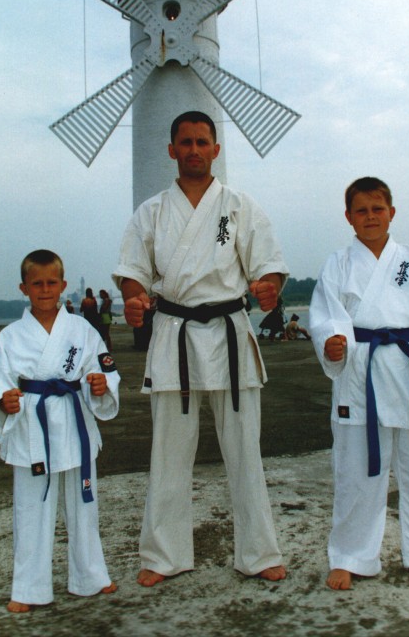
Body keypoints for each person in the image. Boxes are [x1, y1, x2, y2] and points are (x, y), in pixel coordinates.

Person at [113, 110, 288, 587]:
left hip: (230, 332)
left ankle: (259, 553)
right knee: (169, 453)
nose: (194, 150)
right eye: (185, 142)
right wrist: (134, 298)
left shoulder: (239, 207)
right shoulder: (151, 212)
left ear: (216, 149)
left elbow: (267, 264)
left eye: (202, 142)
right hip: (175, 334)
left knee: (245, 451)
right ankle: (163, 556)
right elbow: (133, 271)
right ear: (172, 150)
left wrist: (269, 287)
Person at [309, 177, 409, 591]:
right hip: (359, 371)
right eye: (361, 211)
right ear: (348, 217)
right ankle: (350, 556)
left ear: (391, 213)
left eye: (377, 209)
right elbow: (326, 314)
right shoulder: (338, 264)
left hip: (407, 369)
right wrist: (333, 341)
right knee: (355, 470)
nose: (370, 217)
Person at [0, 250, 120, 613]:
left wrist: (101, 385)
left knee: (84, 507)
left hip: (74, 420)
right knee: (31, 509)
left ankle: (91, 577)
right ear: (23, 288)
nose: (44, 290)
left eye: (51, 283)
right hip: (32, 425)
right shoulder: (10, 336)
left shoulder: (82, 330)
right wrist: (4, 401)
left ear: (63, 285)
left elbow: (104, 369)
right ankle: (28, 589)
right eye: (37, 284)